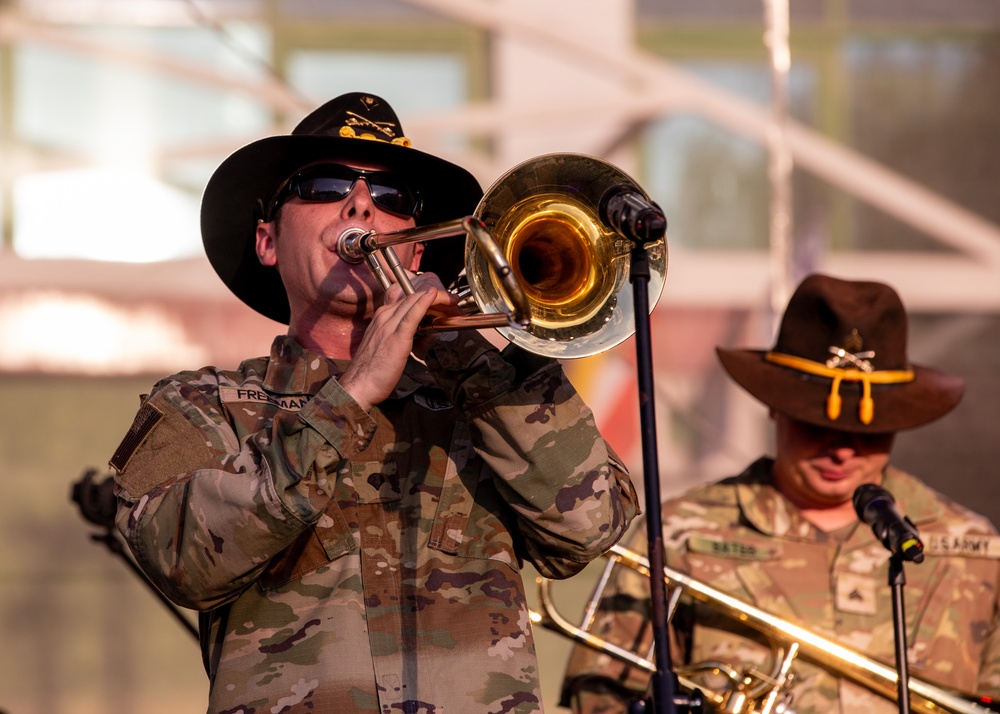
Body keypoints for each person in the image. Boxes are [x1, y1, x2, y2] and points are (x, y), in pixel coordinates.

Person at [108, 91, 639, 714]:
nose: (361, 203)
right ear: (267, 240)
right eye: (326, 184)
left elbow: (586, 528)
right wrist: (351, 395)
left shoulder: (486, 401)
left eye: (392, 198)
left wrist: (461, 356)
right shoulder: (200, 405)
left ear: (415, 249)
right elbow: (183, 562)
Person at [560, 273, 1000, 714]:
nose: (842, 448)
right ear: (775, 406)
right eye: (816, 423)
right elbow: (601, 699)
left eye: (869, 429)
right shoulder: (679, 533)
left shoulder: (975, 546)